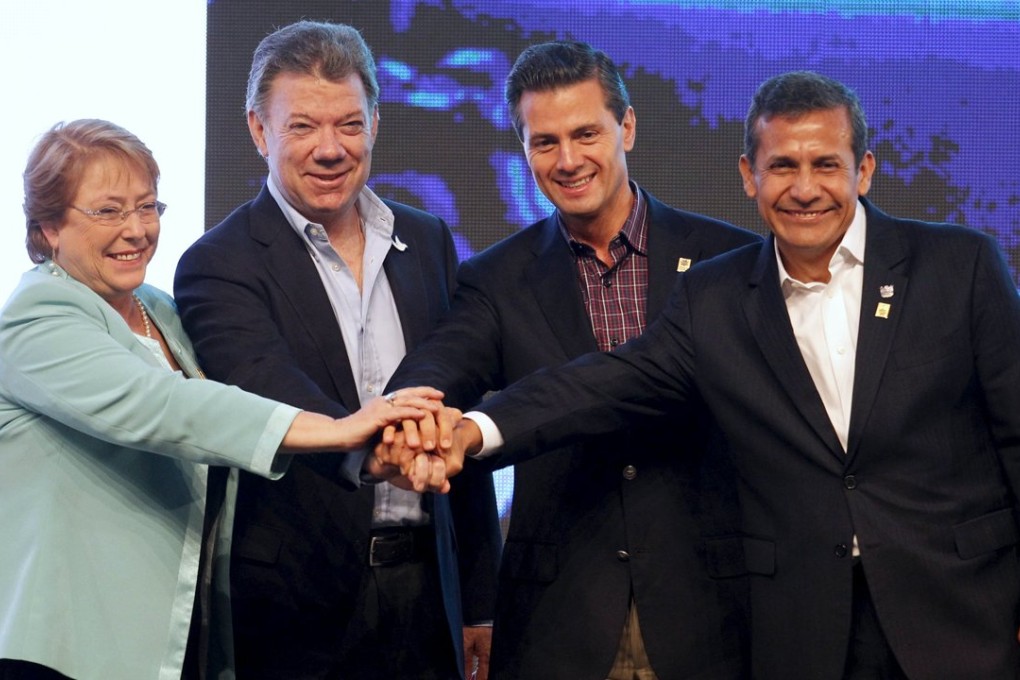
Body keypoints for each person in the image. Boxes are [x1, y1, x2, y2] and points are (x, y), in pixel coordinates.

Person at [426, 70, 1020, 679]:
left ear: (863, 170)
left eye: (826, 165)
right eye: (782, 166)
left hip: (963, 618)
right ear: (748, 176)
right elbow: (601, 383)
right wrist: (471, 431)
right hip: (804, 633)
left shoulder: (960, 265)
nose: (805, 189)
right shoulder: (716, 296)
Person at [0, 119, 442, 680]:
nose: (136, 230)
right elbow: (166, 406)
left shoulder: (159, 309)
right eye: (108, 211)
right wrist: (339, 429)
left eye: (147, 207)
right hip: (73, 644)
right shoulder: (36, 317)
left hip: (172, 633)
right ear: (48, 227)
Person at [384, 41, 760, 680]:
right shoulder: (496, 279)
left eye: (586, 134)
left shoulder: (729, 259)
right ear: (523, 149)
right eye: (544, 142)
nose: (568, 160)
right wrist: (411, 418)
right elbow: (440, 364)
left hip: (713, 617)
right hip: (560, 624)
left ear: (627, 127)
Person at [173, 21, 501, 680]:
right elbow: (270, 392)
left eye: (349, 124)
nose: (330, 149)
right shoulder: (218, 262)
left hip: (429, 597)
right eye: (302, 127)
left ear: (375, 124)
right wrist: (372, 451)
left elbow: (455, 404)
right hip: (295, 609)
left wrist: (481, 600)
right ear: (259, 130)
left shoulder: (427, 240)